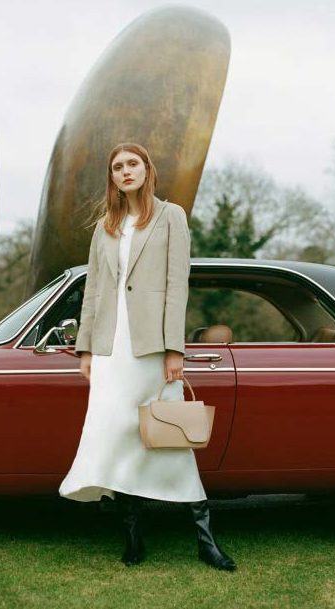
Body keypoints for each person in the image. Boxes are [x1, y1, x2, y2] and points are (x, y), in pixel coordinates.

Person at [58, 142, 236, 572]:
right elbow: (94, 291)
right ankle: (133, 535)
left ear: (146, 169)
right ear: (112, 177)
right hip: (110, 350)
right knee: (119, 437)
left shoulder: (171, 216)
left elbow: (177, 285)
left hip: (151, 348)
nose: (125, 171)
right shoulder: (104, 227)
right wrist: (86, 348)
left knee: (169, 438)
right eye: (117, 166)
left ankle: (205, 540)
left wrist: (174, 349)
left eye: (132, 164)